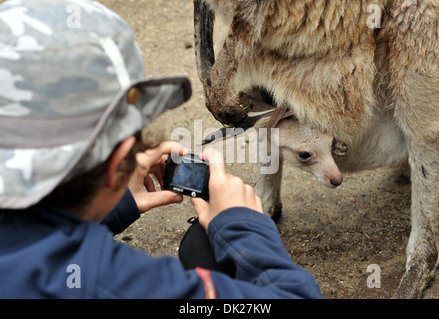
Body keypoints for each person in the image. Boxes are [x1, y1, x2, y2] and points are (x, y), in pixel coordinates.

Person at [0, 0, 322, 299]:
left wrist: (106, 206)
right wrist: (247, 230)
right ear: (115, 167)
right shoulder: (105, 281)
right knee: (205, 247)